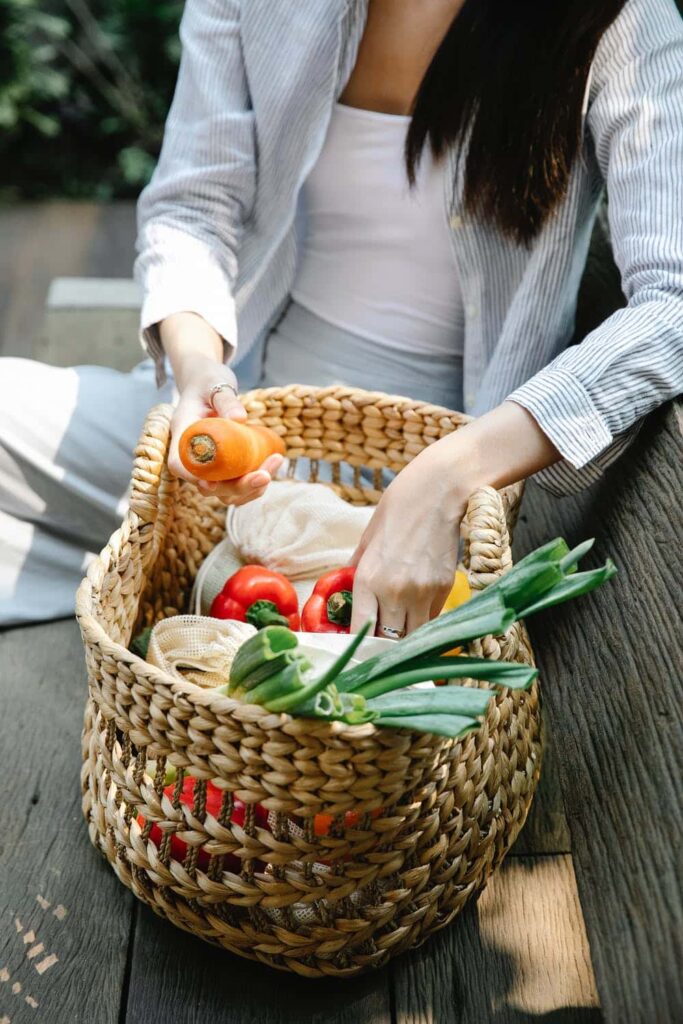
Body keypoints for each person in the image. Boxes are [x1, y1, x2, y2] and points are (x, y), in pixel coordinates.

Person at [1, 0, 682, 632]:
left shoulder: (620, 23)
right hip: (234, 429)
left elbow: (671, 303)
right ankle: (150, 568)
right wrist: (196, 368)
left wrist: (449, 475)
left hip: (411, 499)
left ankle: (148, 575)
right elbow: (193, 206)